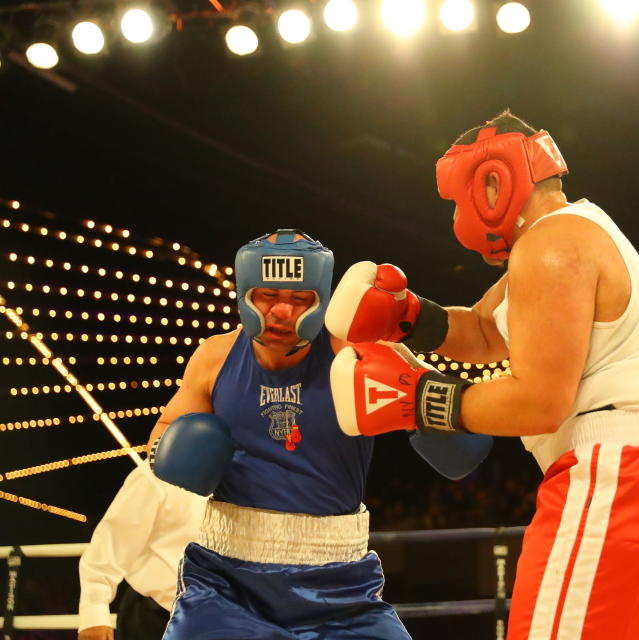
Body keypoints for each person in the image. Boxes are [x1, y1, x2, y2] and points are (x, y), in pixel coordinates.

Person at [325, 110, 639, 639]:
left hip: (623, 475)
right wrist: (408, 315)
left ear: (492, 183)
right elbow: (486, 331)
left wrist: (418, 398)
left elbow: (540, 402)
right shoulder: (581, 228)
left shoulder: (550, 245)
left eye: (455, 201)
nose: (455, 219)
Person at [148, 229, 490, 639]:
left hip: (341, 585)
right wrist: (175, 451)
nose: (280, 312)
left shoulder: (362, 351)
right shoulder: (215, 356)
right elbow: (162, 435)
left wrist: (415, 395)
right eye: (268, 297)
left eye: (298, 300)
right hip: (226, 582)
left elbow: (462, 452)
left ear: (321, 301)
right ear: (244, 295)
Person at [77, 465, 205, 640]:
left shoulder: (243, 478)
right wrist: (93, 613)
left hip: (221, 622)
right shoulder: (161, 471)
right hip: (153, 619)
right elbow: (112, 542)